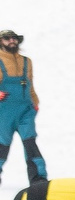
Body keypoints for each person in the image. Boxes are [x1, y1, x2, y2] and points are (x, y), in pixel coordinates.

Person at [0, 27, 44, 187]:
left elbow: (30, 84)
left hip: (26, 110)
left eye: (14, 38)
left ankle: (38, 179)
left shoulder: (26, 61)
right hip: (3, 111)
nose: (12, 41)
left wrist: (35, 103)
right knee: (2, 144)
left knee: (30, 142)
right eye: (7, 38)